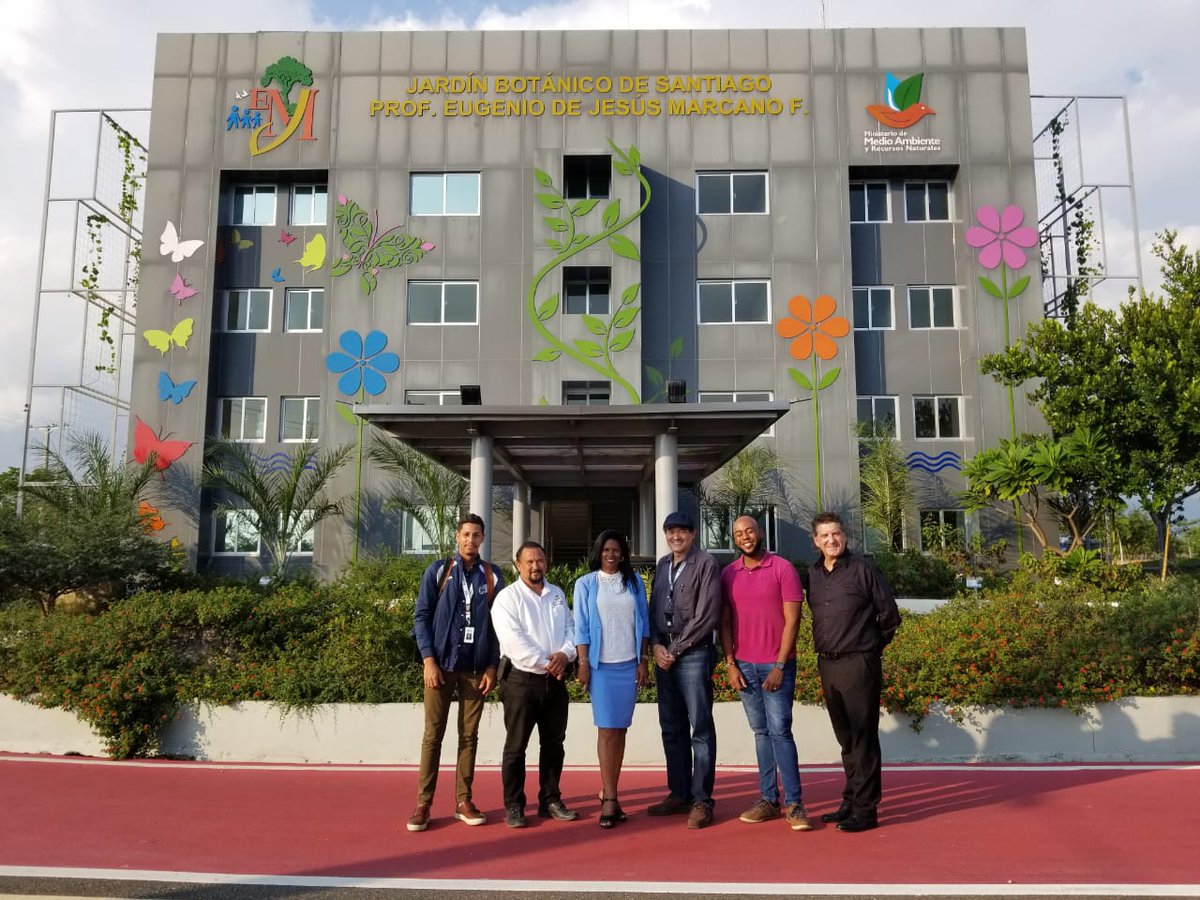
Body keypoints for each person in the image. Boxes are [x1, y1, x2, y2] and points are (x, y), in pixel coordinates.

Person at [408, 513, 505, 832]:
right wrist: (428, 660)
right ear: (457, 536)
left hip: (475, 669)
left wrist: (493, 665)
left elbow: (498, 627)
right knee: (432, 735)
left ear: (483, 538)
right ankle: (423, 803)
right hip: (441, 665)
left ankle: (464, 800)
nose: (471, 540)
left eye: (476, 535)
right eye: (466, 534)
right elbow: (421, 616)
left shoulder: (492, 575)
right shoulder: (439, 571)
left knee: (469, 736)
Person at [806, 511, 901, 833]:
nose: (832, 540)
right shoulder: (814, 574)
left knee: (863, 738)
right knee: (846, 738)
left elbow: (889, 616)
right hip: (828, 664)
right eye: (825, 536)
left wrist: (869, 649)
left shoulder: (863, 569)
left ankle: (866, 809)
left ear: (844, 535)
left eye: (836, 534)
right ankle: (851, 799)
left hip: (859, 662)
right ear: (815, 541)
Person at [719, 515, 813, 832]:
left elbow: (793, 622)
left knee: (780, 731)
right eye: (738, 534)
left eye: (749, 531)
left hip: (777, 666)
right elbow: (726, 623)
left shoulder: (783, 569)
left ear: (760, 533)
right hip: (743, 666)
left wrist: (780, 665)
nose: (745, 537)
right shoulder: (728, 574)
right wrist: (730, 663)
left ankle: (795, 804)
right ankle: (768, 799)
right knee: (760, 733)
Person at [492, 540, 578, 828]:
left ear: (546, 563)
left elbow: (571, 628)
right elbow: (514, 642)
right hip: (521, 681)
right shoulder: (507, 599)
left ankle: (550, 799)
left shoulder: (556, 594)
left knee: (554, 744)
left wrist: (566, 654)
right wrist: (548, 663)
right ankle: (514, 805)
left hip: (555, 683)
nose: (535, 566)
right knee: (516, 747)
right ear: (518, 565)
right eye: (528, 561)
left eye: (539, 560)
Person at [647, 510, 722, 829]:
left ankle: (702, 799)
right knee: (671, 726)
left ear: (693, 534)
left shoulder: (706, 563)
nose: (675, 536)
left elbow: (707, 616)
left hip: (692, 653)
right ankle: (678, 793)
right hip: (665, 652)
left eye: (682, 531)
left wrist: (675, 650)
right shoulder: (663, 564)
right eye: (670, 531)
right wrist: (655, 646)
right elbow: (652, 608)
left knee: (700, 727)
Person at [573, 530, 651, 829]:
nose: (611, 554)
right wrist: (583, 663)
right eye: (606, 549)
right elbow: (581, 626)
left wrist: (643, 661)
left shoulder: (633, 582)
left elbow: (643, 623)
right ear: (598, 551)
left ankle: (610, 790)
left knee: (620, 730)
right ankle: (609, 801)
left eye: (616, 550)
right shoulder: (586, 584)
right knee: (606, 730)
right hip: (601, 668)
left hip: (629, 665)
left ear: (623, 553)